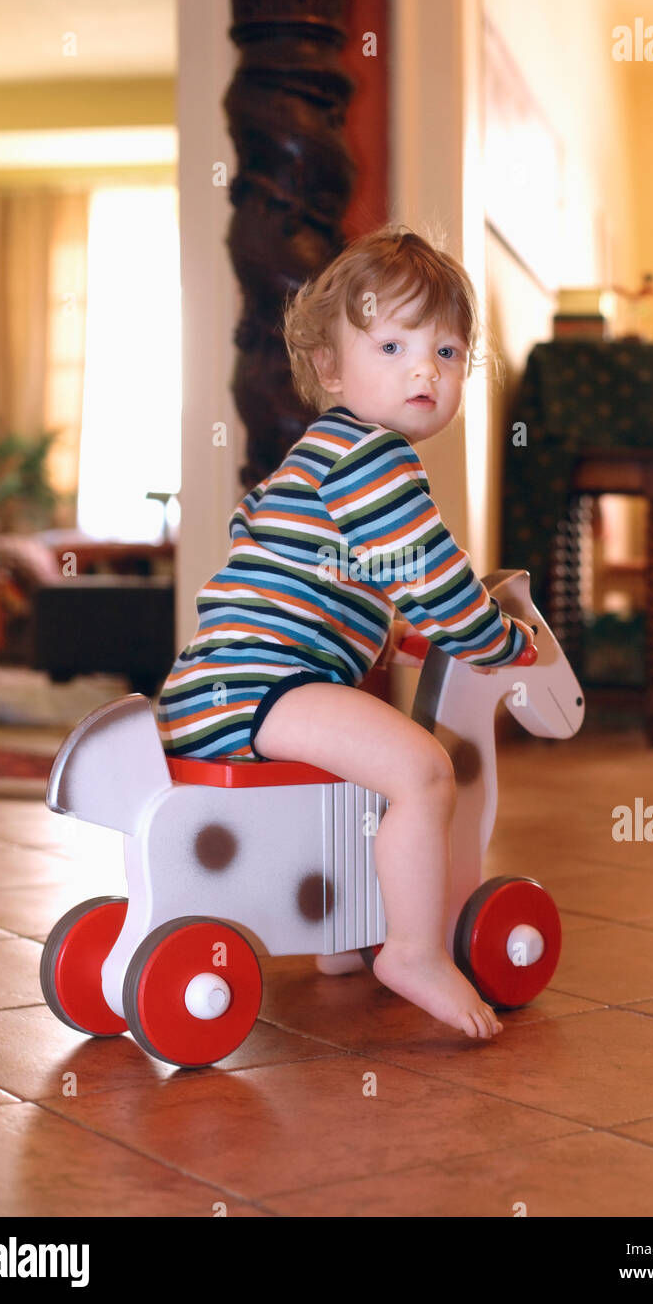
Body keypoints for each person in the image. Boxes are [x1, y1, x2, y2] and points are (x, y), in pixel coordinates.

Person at [156, 225, 535, 1039]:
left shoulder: (315, 455)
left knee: (366, 773)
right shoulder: (376, 459)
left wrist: (395, 634)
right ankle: (413, 950)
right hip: (265, 689)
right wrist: (497, 640)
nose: (424, 370)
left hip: (219, 687)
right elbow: (433, 573)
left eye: (447, 351)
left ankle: (338, 932)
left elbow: (314, 569)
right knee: (423, 771)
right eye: (394, 345)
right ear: (330, 367)